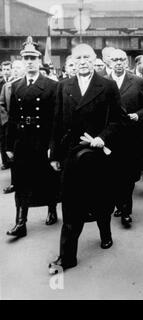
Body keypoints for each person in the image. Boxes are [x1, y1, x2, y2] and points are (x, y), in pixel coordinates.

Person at [48, 43, 126, 273]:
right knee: (71, 206)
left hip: (98, 155)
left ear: (94, 60)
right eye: (78, 57)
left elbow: (118, 121)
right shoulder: (64, 87)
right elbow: (56, 123)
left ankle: (105, 232)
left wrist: (103, 138)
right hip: (72, 156)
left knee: (101, 200)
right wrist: (54, 153)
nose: (82, 61)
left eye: (87, 57)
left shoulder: (108, 86)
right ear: (71, 61)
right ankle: (67, 256)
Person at [5, 37, 59, 238]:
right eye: (26, 58)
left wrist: (53, 147)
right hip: (22, 140)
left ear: (39, 61)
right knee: (21, 181)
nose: (29, 62)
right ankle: (21, 222)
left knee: (48, 178)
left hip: (42, 139)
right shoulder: (16, 86)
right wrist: (9, 145)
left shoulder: (52, 86)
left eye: (32, 58)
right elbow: (11, 118)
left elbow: (56, 120)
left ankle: (52, 209)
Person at [106, 49, 143, 227]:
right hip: (108, 137)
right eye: (115, 60)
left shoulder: (138, 82)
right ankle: (116, 204)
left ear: (127, 63)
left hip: (129, 137)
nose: (118, 63)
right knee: (111, 175)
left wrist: (137, 115)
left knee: (127, 176)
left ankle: (126, 211)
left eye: (122, 60)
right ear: (110, 62)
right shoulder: (102, 81)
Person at [0, 60, 25, 195]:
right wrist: (6, 121)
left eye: (18, 67)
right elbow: (1, 103)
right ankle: (14, 183)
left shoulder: (26, 84)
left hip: (24, 125)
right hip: (11, 125)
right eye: (13, 68)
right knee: (12, 155)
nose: (15, 70)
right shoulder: (7, 86)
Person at [0, 61, 12, 170]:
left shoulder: (14, 82)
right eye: (4, 69)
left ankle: (10, 160)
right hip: (2, 116)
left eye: (8, 69)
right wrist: (5, 118)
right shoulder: (1, 83)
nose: (6, 71)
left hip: (12, 117)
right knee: (2, 140)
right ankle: (5, 161)